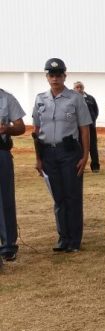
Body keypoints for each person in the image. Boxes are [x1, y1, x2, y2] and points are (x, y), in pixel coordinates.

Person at [32, 58, 91, 253]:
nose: (55, 78)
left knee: (72, 196)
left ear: (65, 76)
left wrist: (85, 155)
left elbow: (84, 129)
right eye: (51, 75)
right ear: (47, 77)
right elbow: (36, 129)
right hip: (48, 152)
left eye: (58, 75)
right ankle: (63, 237)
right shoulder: (40, 99)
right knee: (58, 197)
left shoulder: (76, 98)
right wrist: (38, 158)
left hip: (69, 152)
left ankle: (74, 240)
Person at [0, 88, 25, 262]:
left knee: (5, 199)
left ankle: (8, 246)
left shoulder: (7, 98)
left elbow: (20, 126)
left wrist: (6, 128)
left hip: (1, 152)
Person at [72, 81, 100, 173]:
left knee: (93, 147)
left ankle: (95, 167)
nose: (79, 89)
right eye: (77, 87)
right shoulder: (71, 99)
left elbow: (95, 111)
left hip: (90, 127)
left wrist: (91, 121)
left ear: (83, 88)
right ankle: (79, 167)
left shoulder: (90, 98)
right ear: (74, 89)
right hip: (77, 128)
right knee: (78, 147)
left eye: (80, 87)